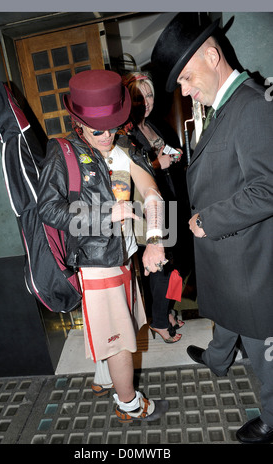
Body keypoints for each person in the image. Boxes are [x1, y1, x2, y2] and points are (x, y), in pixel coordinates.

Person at [152, 12, 273, 443]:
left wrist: (208, 219)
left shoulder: (253, 105)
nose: (185, 90)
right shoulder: (226, 104)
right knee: (225, 314)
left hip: (248, 261)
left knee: (263, 350)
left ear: (211, 54)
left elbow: (268, 188)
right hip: (228, 255)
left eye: (185, 78)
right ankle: (219, 359)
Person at [37, 69, 169, 423]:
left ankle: (102, 377)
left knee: (119, 326)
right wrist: (105, 213)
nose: (108, 134)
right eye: (99, 129)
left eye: (114, 124)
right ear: (78, 122)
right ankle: (128, 403)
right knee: (121, 340)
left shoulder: (123, 144)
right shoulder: (62, 152)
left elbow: (153, 194)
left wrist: (156, 240)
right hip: (96, 263)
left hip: (124, 256)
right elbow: (48, 210)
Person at [122, 71, 184, 344]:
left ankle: (167, 312)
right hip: (147, 211)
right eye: (139, 96)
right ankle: (158, 321)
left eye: (149, 95)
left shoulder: (150, 125)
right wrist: (160, 164)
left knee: (174, 265)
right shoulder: (126, 132)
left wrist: (173, 154)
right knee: (157, 268)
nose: (146, 101)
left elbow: (164, 152)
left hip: (168, 202)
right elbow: (132, 173)